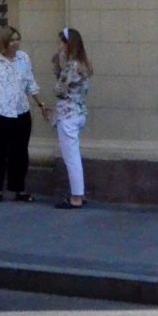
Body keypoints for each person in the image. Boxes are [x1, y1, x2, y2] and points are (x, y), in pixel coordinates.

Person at [0, 26, 41, 202]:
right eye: (12, 40)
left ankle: (18, 189)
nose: (15, 43)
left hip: (21, 110)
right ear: (4, 42)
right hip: (2, 111)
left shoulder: (23, 58)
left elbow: (30, 82)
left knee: (20, 152)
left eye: (17, 39)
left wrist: (41, 103)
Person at [50, 26, 94, 209]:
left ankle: (77, 196)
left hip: (68, 114)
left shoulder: (72, 65)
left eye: (61, 42)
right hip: (78, 112)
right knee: (73, 155)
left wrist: (58, 67)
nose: (59, 45)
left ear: (68, 44)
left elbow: (59, 90)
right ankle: (78, 193)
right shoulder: (82, 63)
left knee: (71, 157)